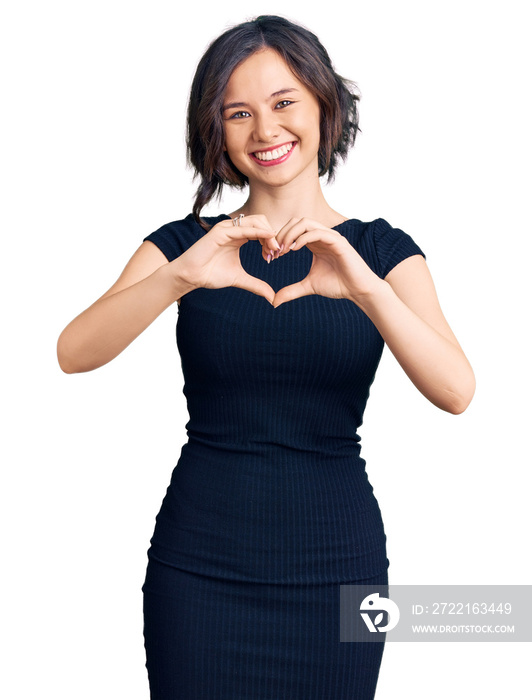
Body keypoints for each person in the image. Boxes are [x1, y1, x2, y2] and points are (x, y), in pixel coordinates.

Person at [57, 15, 475, 700]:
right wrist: (179, 277)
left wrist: (366, 290)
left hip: (340, 568)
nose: (265, 131)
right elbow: (73, 352)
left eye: (284, 104)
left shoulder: (381, 250)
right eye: (238, 113)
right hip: (199, 568)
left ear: (323, 107)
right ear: (214, 131)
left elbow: (457, 390)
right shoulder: (186, 245)